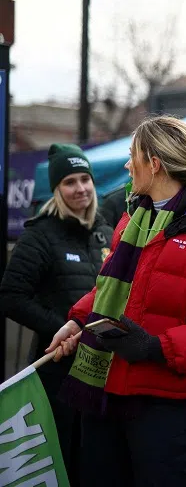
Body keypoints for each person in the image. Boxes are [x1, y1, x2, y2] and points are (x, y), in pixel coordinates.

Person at [47, 115, 186, 487]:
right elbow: (111, 288)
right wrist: (78, 321)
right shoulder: (133, 219)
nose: (128, 165)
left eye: (133, 156)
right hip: (105, 389)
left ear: (154, 164)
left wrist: (157, 347)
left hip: (165, 404)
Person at [0, 144, 113, 486]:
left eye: (85, 179)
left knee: (95, 464)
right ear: (56, 189)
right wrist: (61, 330)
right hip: (57, 374)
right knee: (63, 464)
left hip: (100, 373)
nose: (80, 188)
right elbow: (11, 296)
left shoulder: (105, 234)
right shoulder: (40, 234)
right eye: (69, 182)